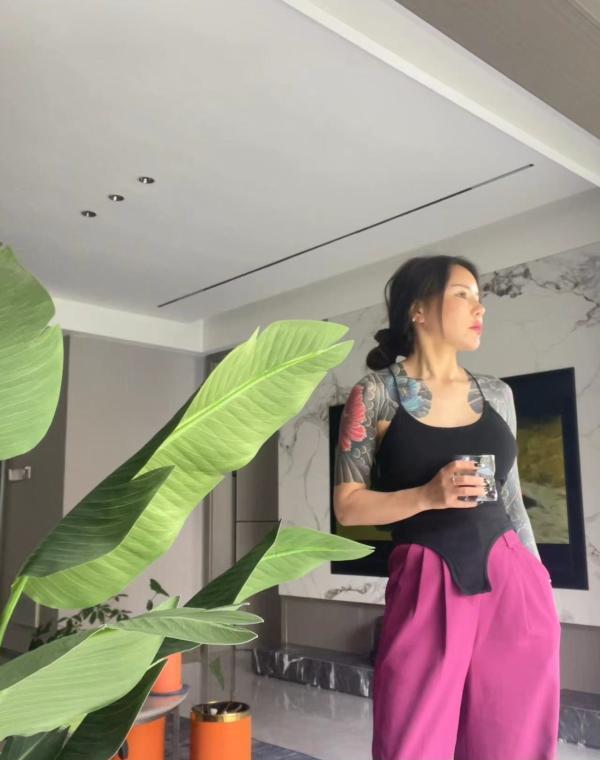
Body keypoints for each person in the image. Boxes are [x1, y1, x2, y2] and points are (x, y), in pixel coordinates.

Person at [333, 254, 561, 760]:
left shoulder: (496, 394)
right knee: (411, 743)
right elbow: (347, 508)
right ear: (417, 309)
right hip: (425, 579)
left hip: (513, 581)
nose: (479, 308)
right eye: (463, 295)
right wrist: (427, 496)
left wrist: (540, 583)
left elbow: (512, 499)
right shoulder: (376, 393)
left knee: (513, 743)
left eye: (480, 298)